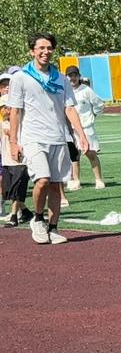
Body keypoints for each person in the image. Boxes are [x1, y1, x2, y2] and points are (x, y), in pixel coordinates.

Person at [6, 33, 90, 244]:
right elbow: (15, 111)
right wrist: (14, 142)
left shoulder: (61, 79)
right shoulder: (21, 77)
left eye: (49, 48)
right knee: (42, 180)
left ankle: (53, 228)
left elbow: (69, 108)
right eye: (41, 48)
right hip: (33, 138)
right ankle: (37, 218)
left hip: (58, 137)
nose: (45, 52)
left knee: (55, 184)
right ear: (32, 51)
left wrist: (81, 134)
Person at [64, 65, 106, 190]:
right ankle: (76, 180)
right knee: (73, 156)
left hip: (86, 127)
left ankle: (98, 180)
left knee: (90, 153)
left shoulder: (86, 90)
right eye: (70, 76)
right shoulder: (65, 91)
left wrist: (93, 115)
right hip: (71, 128)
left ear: (79, 76)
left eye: (75, 75)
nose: (73, 78)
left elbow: (99, 104)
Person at [1, 69, 33, 227]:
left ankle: (14, 216)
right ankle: (25, 211)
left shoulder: (19, 101)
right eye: (3, 85)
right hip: (5, 151)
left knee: (17, 184)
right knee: (8, 188)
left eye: (9, 84)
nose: (6, 87)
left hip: (20, 147)